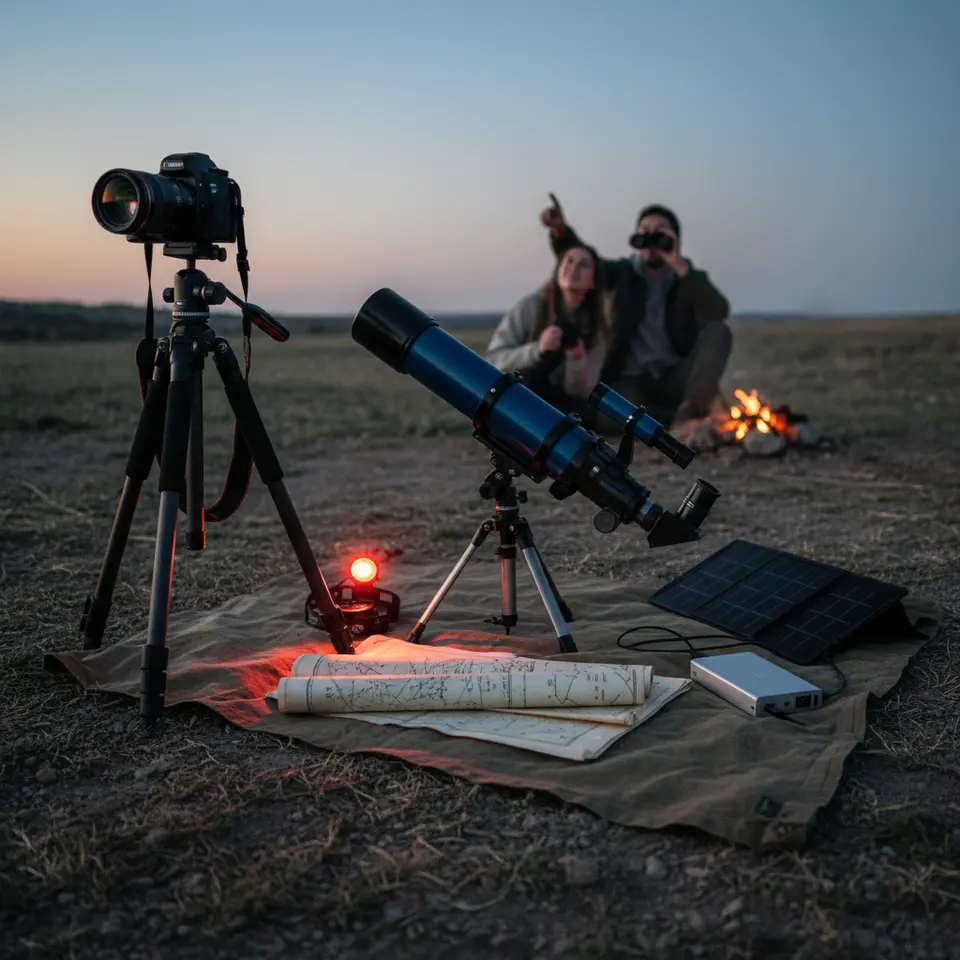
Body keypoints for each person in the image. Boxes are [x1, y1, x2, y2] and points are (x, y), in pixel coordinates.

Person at [540, 196, 731, 432]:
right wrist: (560, 230)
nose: (651, 238)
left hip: (676, 376)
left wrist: (678, 263)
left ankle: (690, 412)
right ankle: (677, 422)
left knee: (719, 332)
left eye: (659, 232)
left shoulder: (687, 279)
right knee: (608, 416)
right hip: (631, 381)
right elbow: (586, 260)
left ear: (674, 239)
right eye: (644, 231)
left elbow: (718, 312)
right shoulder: (624, 273)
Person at [487, 245, 610, 424]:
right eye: (569, 261)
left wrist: (577, 360)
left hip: (563, 407)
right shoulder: (531, 307)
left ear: (594, 281)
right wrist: (537, 350)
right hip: (519, 400)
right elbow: (494, 360)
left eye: (583, 264)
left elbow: (581, 392)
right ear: (558, 270)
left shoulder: (596, 329)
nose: (574, 268)